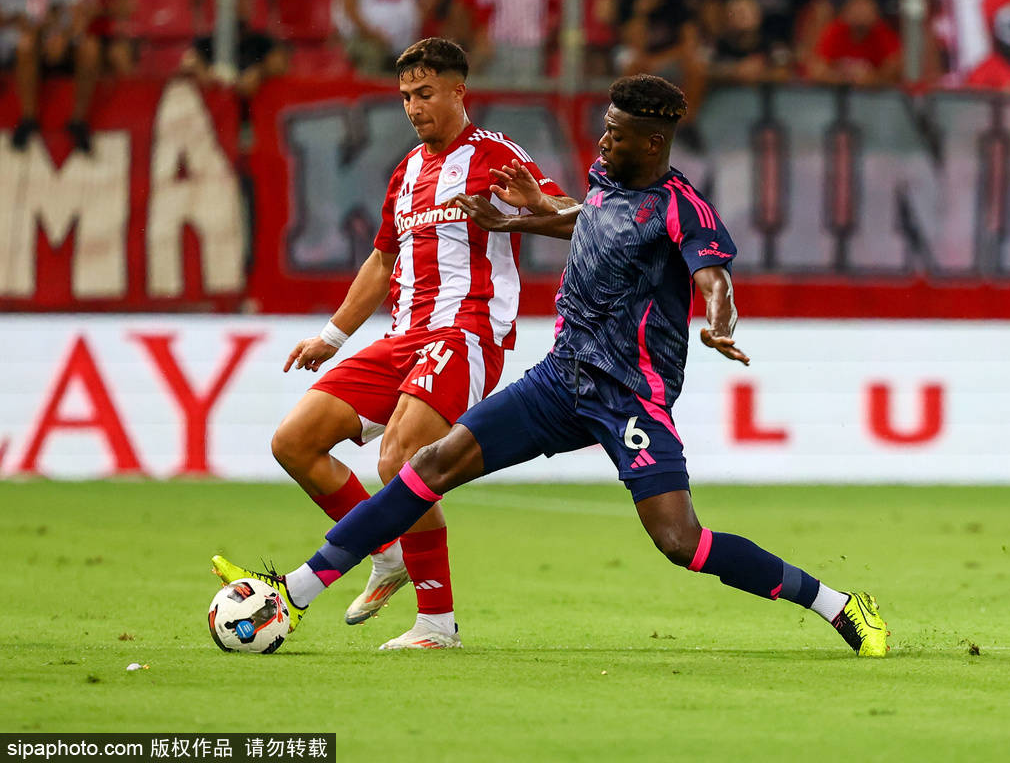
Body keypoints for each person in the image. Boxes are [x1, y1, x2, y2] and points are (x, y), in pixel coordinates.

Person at [213, 73, 891, 658]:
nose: (603, 141)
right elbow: (588, 216)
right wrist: (520, 219)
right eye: (605, 127)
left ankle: (837, 604)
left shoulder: (684, 209)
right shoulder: (608, 181)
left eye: (616, 133)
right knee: (429, 465)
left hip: (629, 397)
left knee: (680, 541)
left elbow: (714, 278)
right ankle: (296, 591)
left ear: (653, 143)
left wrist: (718, 320)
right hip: (561, 378)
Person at [212, 37, 569, 650]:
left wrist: (536, 205)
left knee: (400, 458)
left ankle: (437, 624)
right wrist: (332, 336)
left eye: (424, 93)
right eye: (405, 95)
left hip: (466, 331)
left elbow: (574, 214)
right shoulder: (406, 172)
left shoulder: (495, 154)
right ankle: (387, 549)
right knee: (293, 442)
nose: (413, 106)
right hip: (402, 337)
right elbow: (382, 261)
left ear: (458, 91)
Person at [0, 0, 97, 152]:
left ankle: (78, 121)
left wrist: (64, 36)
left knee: (90, 49)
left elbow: (78, 13)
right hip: (28, 43)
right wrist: (16, 21)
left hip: (62, 37)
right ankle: (28, 118)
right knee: (25, 45)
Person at [806, 0, 901, 86]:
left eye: (865, 9)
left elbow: (896, 68)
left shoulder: (882, 33)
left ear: (875, 14)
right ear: (845, 12)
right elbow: (816, 68)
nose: (861, 14)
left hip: (873, 93)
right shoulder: (835, 30)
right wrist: (840, 78)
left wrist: (873, 78)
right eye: (856, 8)